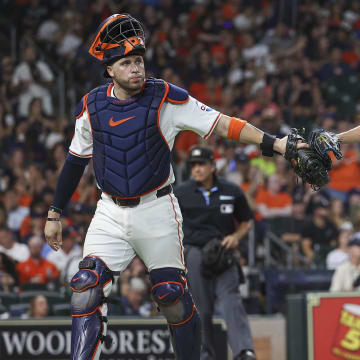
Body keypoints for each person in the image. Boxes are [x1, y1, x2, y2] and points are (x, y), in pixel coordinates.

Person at [43, 14, 302, 360]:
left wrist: (276, 144)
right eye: (127, 63)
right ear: (109, 70)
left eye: (139, 60)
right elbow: (75, 161)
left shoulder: (165, 96)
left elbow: (222, 124)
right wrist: (54, 212)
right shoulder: (91, 105)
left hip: (157, 208)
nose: (136, 68)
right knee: (85, 287)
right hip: (109, 211)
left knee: (171, 296)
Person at [174, 146, 255, 360]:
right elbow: (169, 224)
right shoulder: (181, 193)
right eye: (193, 165)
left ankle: (243, 351)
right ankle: (204, 353)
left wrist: (236, 237)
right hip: (195, 252)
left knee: (232, 299)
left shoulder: (232, 190)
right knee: (201, 306)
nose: (197, 169)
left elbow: (247, 222)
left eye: (201, 164)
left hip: (223, 250)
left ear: (212, 166)